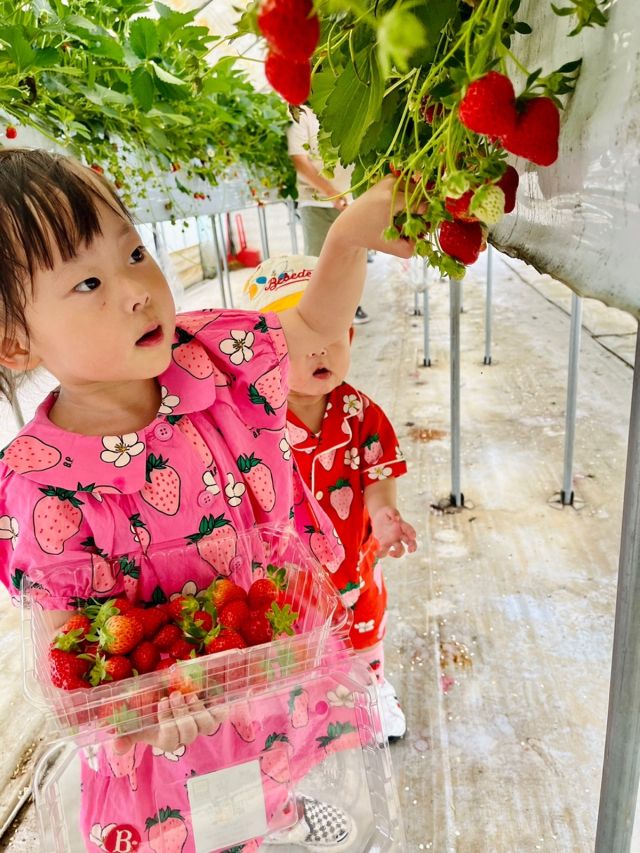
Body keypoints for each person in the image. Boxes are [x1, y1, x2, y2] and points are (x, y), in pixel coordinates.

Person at [0, 150, 415, 852]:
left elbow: (314, 332)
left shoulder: (213, 359)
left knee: (265, 780)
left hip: (259, 685)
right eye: (90, 282)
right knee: (191, 831)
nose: (136, 289)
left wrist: (345, 238)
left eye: (133, 251)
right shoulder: (39, 484)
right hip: (157, 747)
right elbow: (75, 658)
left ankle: (278, 816)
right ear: (15, 342)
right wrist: (136, 709)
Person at [245, 255, 417, 741]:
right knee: (295, 642)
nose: (319, 351)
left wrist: (384, 515)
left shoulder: (361, 413)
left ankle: (373, 690)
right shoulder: (256, 423)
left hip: (355, 561)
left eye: (332, 336)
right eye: (301, 343)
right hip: (288, 573)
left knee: (365, 630)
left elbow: (378, 473)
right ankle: (303, 704)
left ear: (351, 337)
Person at [287, 106, 370, 325]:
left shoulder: (346, 106)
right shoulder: (300, 113)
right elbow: (299, 159)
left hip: (351, 199)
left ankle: (351, 307)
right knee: (318, 260)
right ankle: (318, 315)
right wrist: (331, 192)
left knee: (353, 258)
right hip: (316, 201)